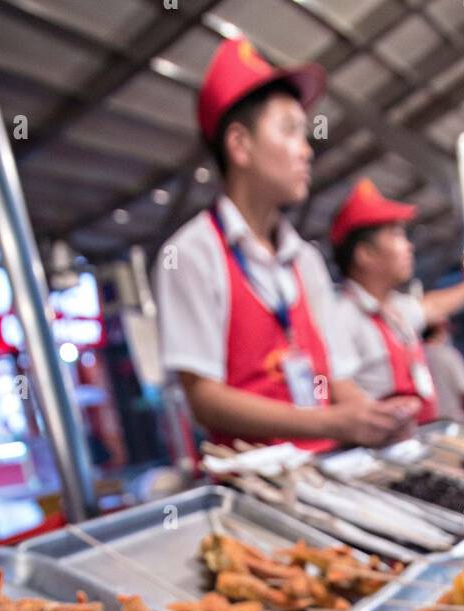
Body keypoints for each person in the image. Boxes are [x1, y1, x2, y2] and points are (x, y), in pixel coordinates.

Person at [153, 38, 417, 452]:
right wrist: (330, 421)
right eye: (290, 131)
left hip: (324, 471)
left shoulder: (306, 260)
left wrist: (373, 417)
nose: (306, 151)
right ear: (240, 145)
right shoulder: (191, 254)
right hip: (251, 488)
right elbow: (203, 398)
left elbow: (334, 375)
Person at [330, 178, 464, 424]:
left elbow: (434, 306)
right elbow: (335, 387)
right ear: (365, 254)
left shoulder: (396, 308)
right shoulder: (341, 318)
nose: (409, 247)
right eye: (396, 236)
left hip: (417, 438)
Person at [422, 321, 464, 423]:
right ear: (439, 329)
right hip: (453, 421)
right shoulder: (448, 354)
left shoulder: (416, 356)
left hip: (426, 423)